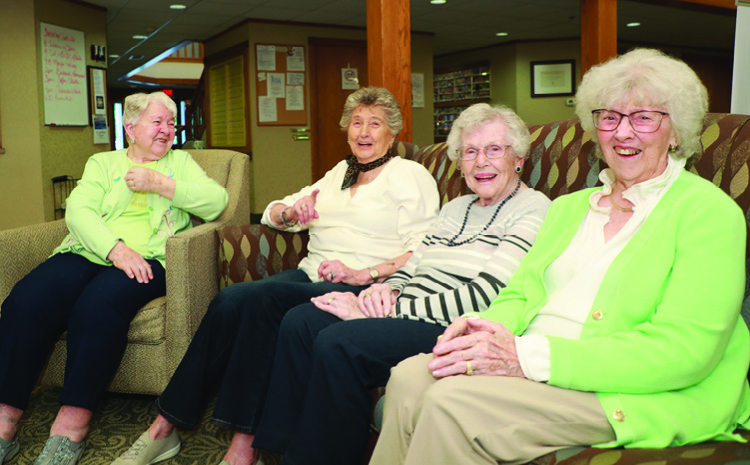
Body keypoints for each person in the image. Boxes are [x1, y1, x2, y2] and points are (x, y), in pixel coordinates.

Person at [370, 48, 750, 465]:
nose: (623, 133)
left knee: (451, 402)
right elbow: (518, 294)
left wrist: (526, 358)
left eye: (643, 117)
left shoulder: (709, 213)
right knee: (408, 377)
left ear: (676, 131)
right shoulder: (570, 207)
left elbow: (684, 351)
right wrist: (485, 333)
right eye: (609, 117)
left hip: (631, 389)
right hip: (539, 363)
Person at [111, 86, 440, 465]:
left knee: (262, 303)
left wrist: (364, 272)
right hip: (309, 273)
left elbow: (423, 248)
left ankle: (235, 445)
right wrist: (290, 212)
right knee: (230, 300)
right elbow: (270, 213)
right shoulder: (339, 172)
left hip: (358, 285)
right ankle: (168, 424)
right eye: (356, 123)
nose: (363, 131)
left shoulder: (409, 176)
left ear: (392, 133)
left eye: (375, 124)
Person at [250, 103, 550, 465]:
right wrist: (386, 289)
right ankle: (280, 448)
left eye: (493, 150)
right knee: (301, 321)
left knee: (338, 341)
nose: (480, 162)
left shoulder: (534, 209)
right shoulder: (458, 207)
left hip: (448, 326)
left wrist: (386, 311)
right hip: (405, 309)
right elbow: (417, 260)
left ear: (517, 158)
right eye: (469, 152)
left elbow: (485, 295)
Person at [0, 91, 229, 465]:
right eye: (157, 122)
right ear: (130, 127)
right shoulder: (103, 162)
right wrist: (114, 249)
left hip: (149, 258)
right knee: (26, 301)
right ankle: (4, 424)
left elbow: (216, 202)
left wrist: (160, 184)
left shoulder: (181, 162)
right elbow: (78, 211)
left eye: (171, 123)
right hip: (94, 249)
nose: (167, 130)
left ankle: (70, 429)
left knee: (96, 309)